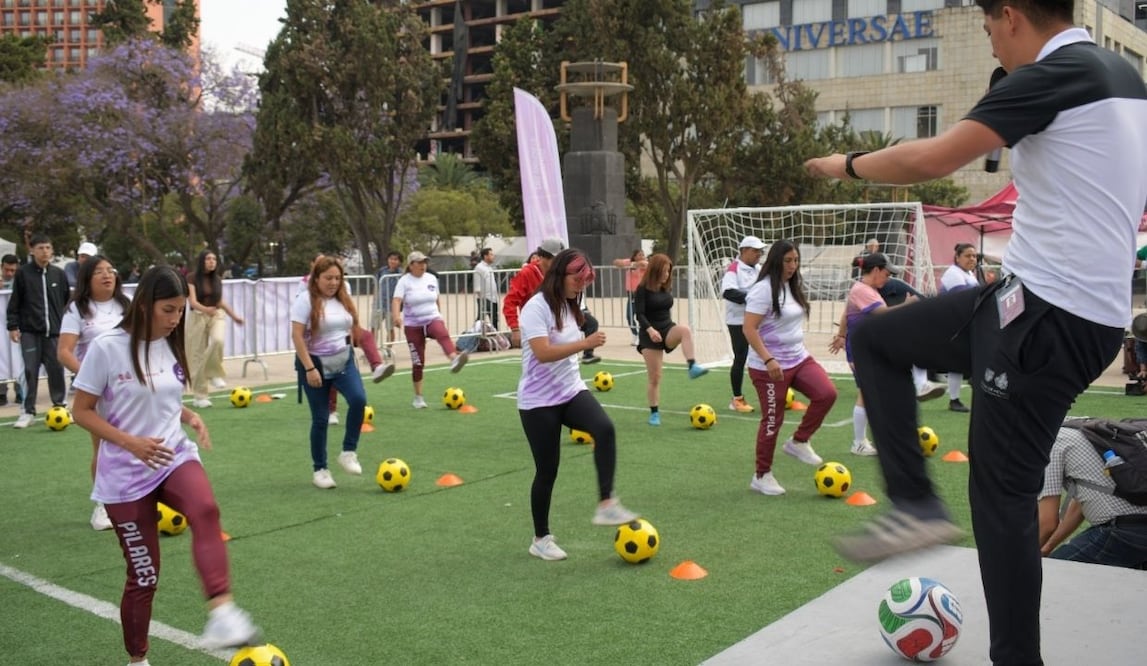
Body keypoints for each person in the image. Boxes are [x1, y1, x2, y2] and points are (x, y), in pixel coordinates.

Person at [803, 2, 1147, 663]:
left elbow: (930, 158)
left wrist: (844, 163)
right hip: (1038, 303)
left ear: (1011, 15)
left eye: (989, 30)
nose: (991, 47)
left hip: (1047, 317)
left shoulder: (1052, 75)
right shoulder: (1125, 78)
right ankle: (914, 505)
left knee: (1003, 496)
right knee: (876, 339)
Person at [71, 266, 260, 664]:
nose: (175, 319)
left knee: (205, 510)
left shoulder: (170, 342)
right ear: (145, 305)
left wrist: (187, 415)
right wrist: (130, 443)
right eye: (168, 310)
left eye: (180, 311)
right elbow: (81, 411)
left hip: (173, 456)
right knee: (144, 577)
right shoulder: (107, 348)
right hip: (124, 477)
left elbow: (162, 395)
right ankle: (138, 659)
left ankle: (222, 614)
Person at [517, 248, 639, 561]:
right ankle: (540, 538)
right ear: (560, 274)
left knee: (605, 429)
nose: (581, 285)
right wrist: (585, 343)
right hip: (538, 401)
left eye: (585, 281)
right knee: (547, 471)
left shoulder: (572, 303)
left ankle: (606, 503)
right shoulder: (536, 307)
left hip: (571, 391)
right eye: (577, 279)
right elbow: (543, 353)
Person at [742, 240, 838, 495]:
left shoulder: (792, 286)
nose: (793, 265)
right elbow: (749, 328)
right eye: (787, 261)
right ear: (776, 261)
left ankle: (799, 441)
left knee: (827, 394)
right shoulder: (763, 290)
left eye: (795, 260)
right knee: (773, 421)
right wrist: (768, 359)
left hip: (798, 358)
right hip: (768, 367)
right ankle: (761, 475)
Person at [58, 255, 131, 532]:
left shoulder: (127, 304)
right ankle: (103, 506)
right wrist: (92, 379)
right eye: (99, 271)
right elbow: (64, 352)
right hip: (98, 393)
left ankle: (138, 498)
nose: (107, 275)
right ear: (87, 278)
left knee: (141, 442)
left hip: (130, 387)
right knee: (104, 447)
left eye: (110, 270)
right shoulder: (77, 309)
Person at [291, 256, 369, 489]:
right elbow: (297, 336)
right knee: (321, 418)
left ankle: (348, 452)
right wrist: (309, 368)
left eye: (337, 278)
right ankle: (320, 469)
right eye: (328, 278)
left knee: (359, 400)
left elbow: (350, 326)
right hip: (314, 362)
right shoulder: (305, 300)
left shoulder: (343, 297)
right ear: (316, 278)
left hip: (343, 360)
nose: (334, 282)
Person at [829, 253, 911, 458]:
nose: (888, 279)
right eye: (886, 274)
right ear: (875, 270)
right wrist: (909, 305)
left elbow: (846, 314)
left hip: (865, 349)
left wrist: (841, 335)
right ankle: (859, 443)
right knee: (867, 393)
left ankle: (869, 439)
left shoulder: (865, 290)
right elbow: (883, 314)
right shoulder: (863, 290)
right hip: (862, 350)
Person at [301, 254, 394, 425]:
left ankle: (377, 366)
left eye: (337, 277)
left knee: (365, 336)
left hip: (342, 329)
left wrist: (352, 327)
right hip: (320, 335)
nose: (334, 281)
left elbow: (346, 306)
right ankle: (331, 410)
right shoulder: (304, 285)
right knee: (331, 369)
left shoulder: (344, 285)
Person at [1038, 424, 1147, 569]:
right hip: (1135, 529)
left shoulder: (1050, 444)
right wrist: (1046, 548)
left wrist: (1018, 560)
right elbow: (1079, 506)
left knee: (1052, 572)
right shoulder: (1080, 430)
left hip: (1122, 531)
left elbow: (1047, 523)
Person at [634, 252, 708, 427]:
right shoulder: (642, 289)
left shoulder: (665, 287)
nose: (666, 275)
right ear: (655, 270)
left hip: (667, 328)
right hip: (649, 334)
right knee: (655, 377)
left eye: (668, 271)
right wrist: (650, 330)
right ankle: (654, 413)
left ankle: (692, 366)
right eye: (664, 271)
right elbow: (639, 314)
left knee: (685, 330)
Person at [6, 233, 69, 429]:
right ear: (32, 250)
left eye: (48, 247)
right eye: (41, 248)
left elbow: (66, 301)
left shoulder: (59, 274)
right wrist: (13, 326)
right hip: (30, 333)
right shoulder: (23, 274)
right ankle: (27, 412)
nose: (45, 252)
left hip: (54, 333)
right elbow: (15, 302)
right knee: (30, 371)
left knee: (56, 369)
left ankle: (60, 406)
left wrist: (65, 326)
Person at [392, 251, 469, 409]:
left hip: (431, 317)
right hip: (413, 325)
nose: (423, 265)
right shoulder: (404, 281)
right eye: (419, 262)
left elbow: (436, 298)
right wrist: (396, 316)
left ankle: (454, 358)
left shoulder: (431, 278)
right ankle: (418, 397)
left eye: (424, 262)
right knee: (418, 362)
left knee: (442, 332)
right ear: (411, 265)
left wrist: (439, 314)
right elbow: (397, 300)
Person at [504, 238, 601, 364]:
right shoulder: (527, 274)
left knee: (590, 324)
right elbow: (510, 301)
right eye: (555, 259)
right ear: (542, 257)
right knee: (543, 357)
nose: (558, 264)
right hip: (539, 321)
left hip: (558, 316)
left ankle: (588, 354)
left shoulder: (560, 275)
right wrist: (515, 328)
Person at [185, 250, 245, 408]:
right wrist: (206, 310)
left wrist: (234, 316)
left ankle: (213, 373)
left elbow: (219, 302)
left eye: (214, 259)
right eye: (208, 259)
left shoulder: (217, 279)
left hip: (216, 314)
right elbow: (192, 301)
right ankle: (200, 396)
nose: (212, 261)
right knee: (196, 357)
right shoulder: (191, 278)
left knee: (218, 340)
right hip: (197, 316)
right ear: (202, 261)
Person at [721, 236, 765, 413]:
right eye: (755, 251)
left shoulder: (759, 269)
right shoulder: (734, 269)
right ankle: (737, 399)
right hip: (738, 321)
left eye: (760, 251)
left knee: (768, 354)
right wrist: (753, 298)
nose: (759, 254)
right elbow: (728, 292)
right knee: (741, 357)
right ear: (744, 250)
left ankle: (777, 394)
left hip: (757, 319)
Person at [939, 243, 982, 412]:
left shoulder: (969, 274)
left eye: (974, 256)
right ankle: (954, 399)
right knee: (956, 362)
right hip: (953, 323)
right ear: (957, 257)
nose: (972, 259)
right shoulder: (953, 273)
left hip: (965, 323)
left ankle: (970, 381)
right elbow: (965, 298)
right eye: (968, 255)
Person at [0, 253, 24, 408]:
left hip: (17, 325)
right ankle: (1, 392)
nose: (9, 273)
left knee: (19, 358)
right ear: (1, 267)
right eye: (6, 270)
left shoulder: (22, 281)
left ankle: (20, 390)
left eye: (13, 270)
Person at [612, 249, 648, 346]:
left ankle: (642, 336)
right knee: (629, 316)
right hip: (631, 294)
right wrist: (630, 264)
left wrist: (633, 264)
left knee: (641, 316)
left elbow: (644, 264)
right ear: (635, 256)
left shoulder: (645, 263)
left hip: (641, 294)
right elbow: (616, 262)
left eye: (643, 254)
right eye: (639, 255)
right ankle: (635, 334)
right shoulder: (630, 262)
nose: (642, 256)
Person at [375, 251, 403, 344]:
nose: (392, 261)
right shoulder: (382, 271)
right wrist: (375, 299)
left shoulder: (401, 273)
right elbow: (376, 284)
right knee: (374, 326)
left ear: (399, 261)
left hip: (391, 305)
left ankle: (388, 348)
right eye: (391, 259)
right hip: (379, 303)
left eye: (395, 259)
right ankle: (372, 348)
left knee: (390, 328)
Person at [473, 247, 500, 330]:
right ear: (485, 256)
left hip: (493, 298)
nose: (493, 256)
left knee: (494, 320)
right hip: (485, 298)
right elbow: (477, 284)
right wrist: (481, 298)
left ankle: (495, 335)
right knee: (480, 320)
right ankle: (474, 334)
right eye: (491, 254)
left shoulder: (489, 267)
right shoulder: (479, 267)